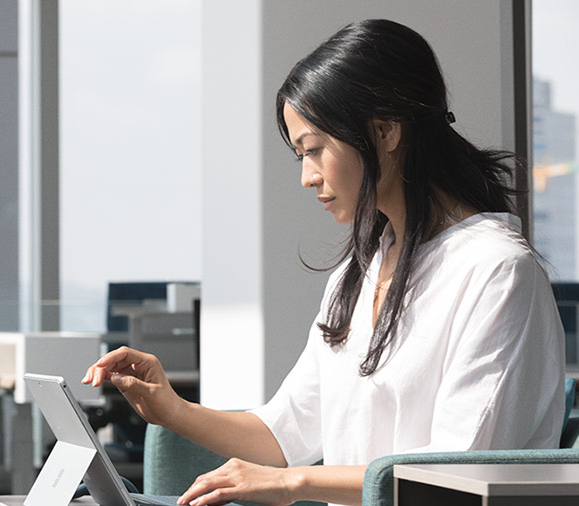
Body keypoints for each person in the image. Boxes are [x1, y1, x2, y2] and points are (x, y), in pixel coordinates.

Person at [82, 18, 565, 506]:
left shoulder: (497, 273)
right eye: (301, 156)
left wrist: (295, 484)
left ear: (385, 131)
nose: (307, 178)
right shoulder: (357, 275)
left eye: (314, 150)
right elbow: (284, 434)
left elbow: (455, 474)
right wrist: (171, 409)